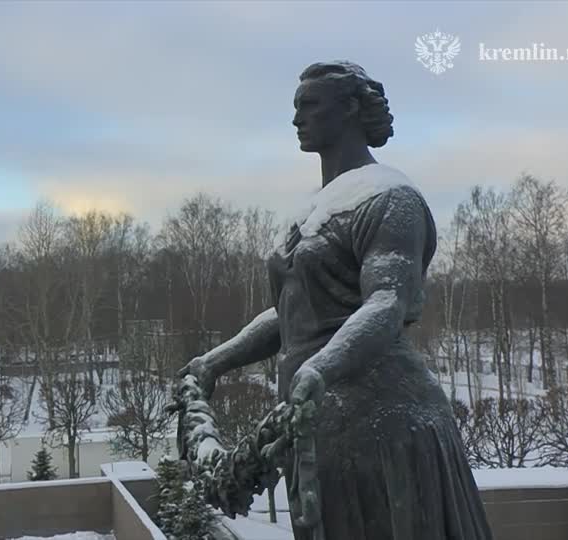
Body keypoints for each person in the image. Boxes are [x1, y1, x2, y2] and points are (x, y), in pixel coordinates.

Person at [179, 61, 492, 540]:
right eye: (296, 107)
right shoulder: (313, 209)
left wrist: (321, 368)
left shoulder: (391, 197)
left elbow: (386, 302)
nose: (297, 118)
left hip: (384, 422)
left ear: (348, 109)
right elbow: (289, 315)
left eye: (309, 105)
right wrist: (214, 362)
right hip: (316, 422)